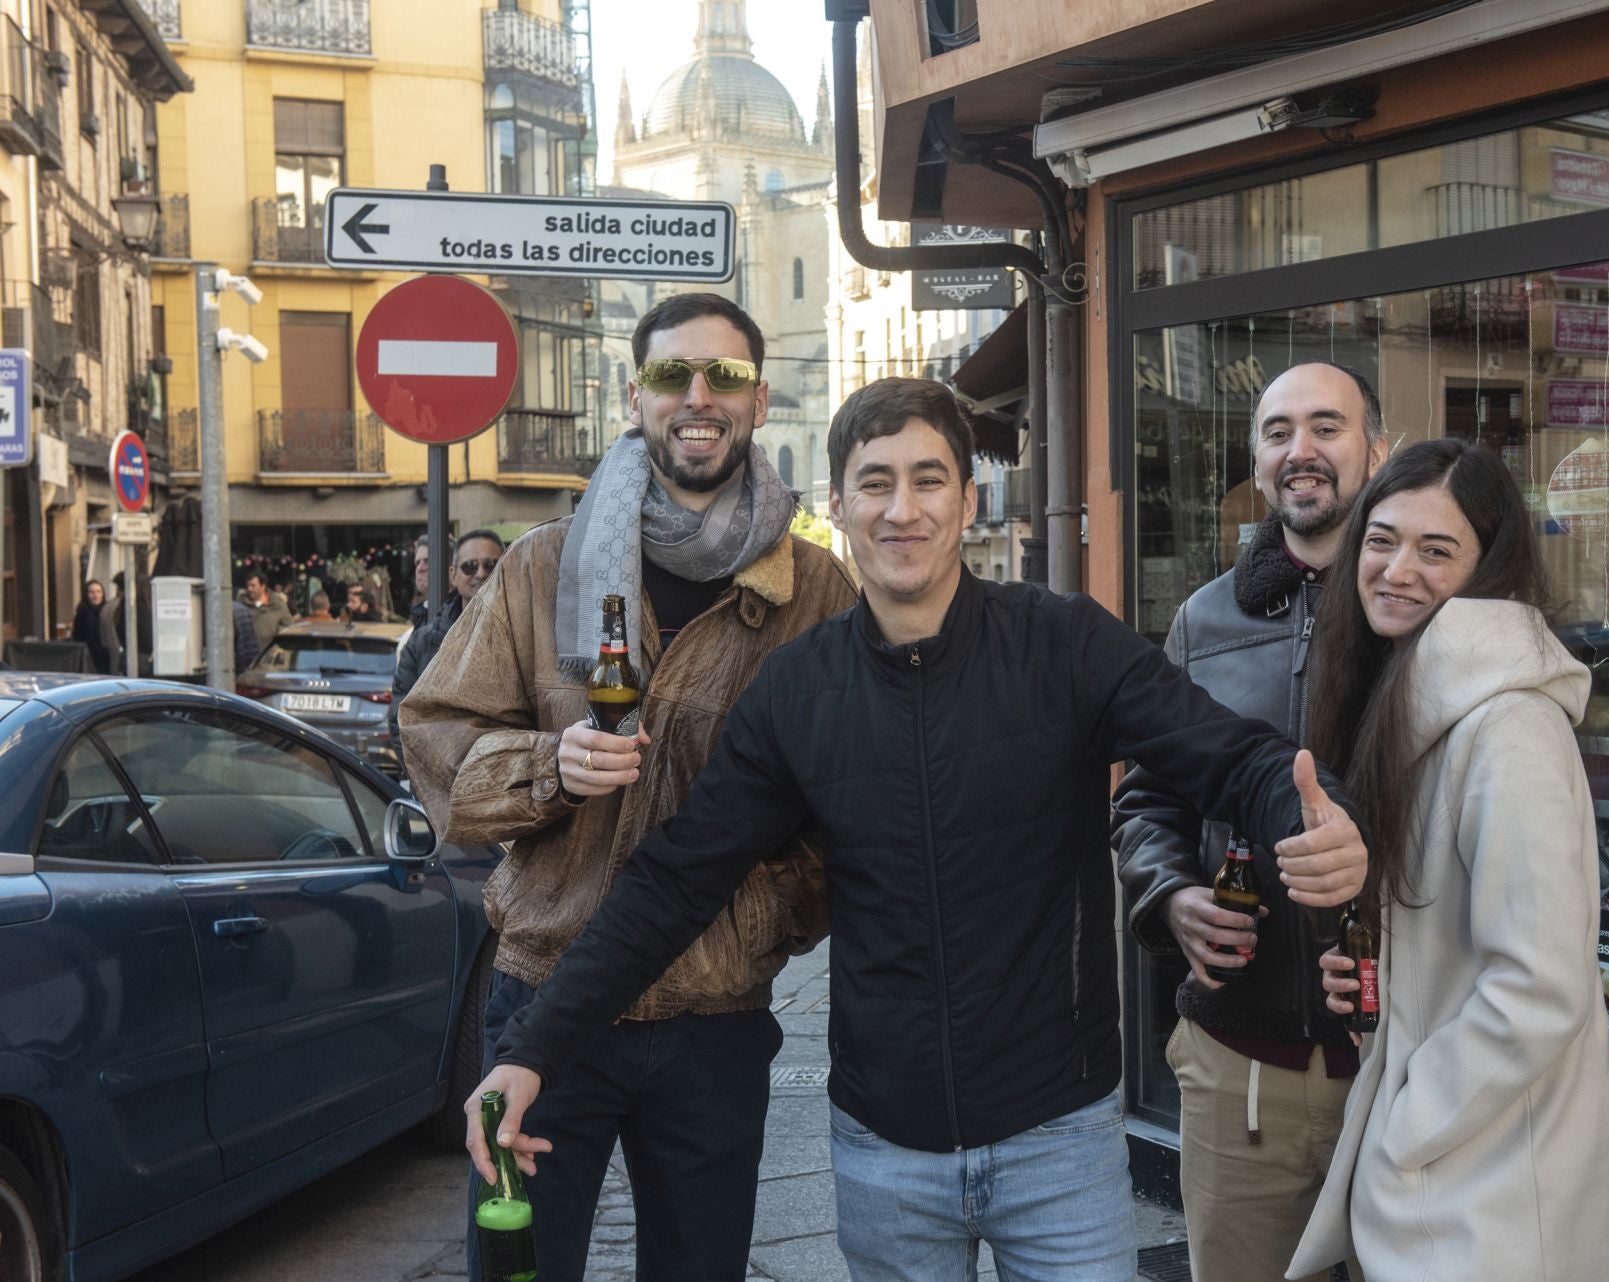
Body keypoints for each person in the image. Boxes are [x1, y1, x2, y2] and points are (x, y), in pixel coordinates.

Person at [465, 377, 1372, 1282]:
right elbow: (673, 882)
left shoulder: (1061, 644)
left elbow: (1230, 756)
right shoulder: (795, 694)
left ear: (968, 501)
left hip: (1058, 1136)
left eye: (929, 480)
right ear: (837, 505)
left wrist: (1309, 814)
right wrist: (535, 1050)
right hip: (883, 1152)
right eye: (875, 482)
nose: (903, 510)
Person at [399, 292, 858, 1282]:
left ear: (760, 399)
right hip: (542, 1002)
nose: (698, 397)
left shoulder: (816, 591)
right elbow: (433, 739)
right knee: (518, 1269)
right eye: (671, 374)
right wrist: (546, 768)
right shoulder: (541, 567)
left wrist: (770, 907)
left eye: (724, 376)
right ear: (634, 392)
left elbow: (852, 797)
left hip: (717, 1017)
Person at [1293, 438, 1609, 1282]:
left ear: (1488, 566)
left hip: (1493, 1199)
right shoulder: (1418, 697)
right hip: (1464, 1186)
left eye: (1437, 549)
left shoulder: (1507, 727)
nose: (1397, 569)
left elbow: (1537, 986)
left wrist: (1408, 1125)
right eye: (1382, 540)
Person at [1113, 362, 1387, 1282]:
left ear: (1375, 451)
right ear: (1259, 462)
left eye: (1326, 426)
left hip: (1401, 1060)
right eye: (1277, 432)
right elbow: (1149, 797)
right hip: (1239, 1067)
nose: (1300, 451)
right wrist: (1171, 893)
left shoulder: (1418, 612)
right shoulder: (1204, 619)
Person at [388, 529, 506, 775]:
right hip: (442, 788)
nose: (481, 573)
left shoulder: (529, 635)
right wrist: (430, 782)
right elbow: (402, 721)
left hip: (509, 788)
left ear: (506, 569)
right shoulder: (423, 642)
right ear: (454, 574)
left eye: (491, 565)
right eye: (470, 566)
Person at [71, 579, 120, 675]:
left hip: (107, 656)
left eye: (98, 592)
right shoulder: (82, 613)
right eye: (91, 592)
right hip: (89, 657)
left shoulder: (108, 611)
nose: (95, 596)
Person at [241, 571, 294, 649]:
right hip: (246, 654)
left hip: (269, 654)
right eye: (248, 586)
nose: (249, 589)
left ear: (263, 586)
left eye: (253, 586)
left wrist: (276, 634)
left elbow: (289, 628)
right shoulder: (241, 605)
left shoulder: (278, 605)